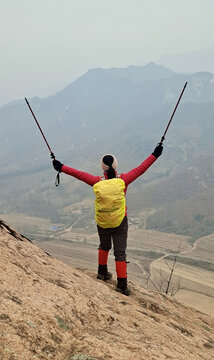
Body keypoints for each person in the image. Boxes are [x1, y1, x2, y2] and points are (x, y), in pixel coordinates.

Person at [52, 143, 163, 296]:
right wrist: (155, 154)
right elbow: (141, 169)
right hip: (120, 221)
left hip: (102, 221)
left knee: (104, 245)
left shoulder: (97, 182)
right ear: (115, 166)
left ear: (102, 168)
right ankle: (122, 285)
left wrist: (61, 167)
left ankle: (102, 272)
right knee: (120, 253)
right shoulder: (123, 180)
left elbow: (78, 174)